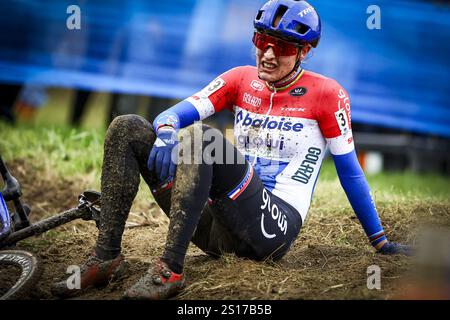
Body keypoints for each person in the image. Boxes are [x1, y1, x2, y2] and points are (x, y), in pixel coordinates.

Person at [52, 0, 412, 300]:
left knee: (202, 138)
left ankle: (170, 269)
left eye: (283, 46)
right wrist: (163, 133)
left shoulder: (327, 94)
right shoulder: (241, 78)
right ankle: (106, 257)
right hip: (215, 225)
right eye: (262, 40)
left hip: (272, 229)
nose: (268, 54)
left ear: (305, 51)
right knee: (127, 127)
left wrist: (380, 242)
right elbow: (174, 114)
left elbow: (349, 171)